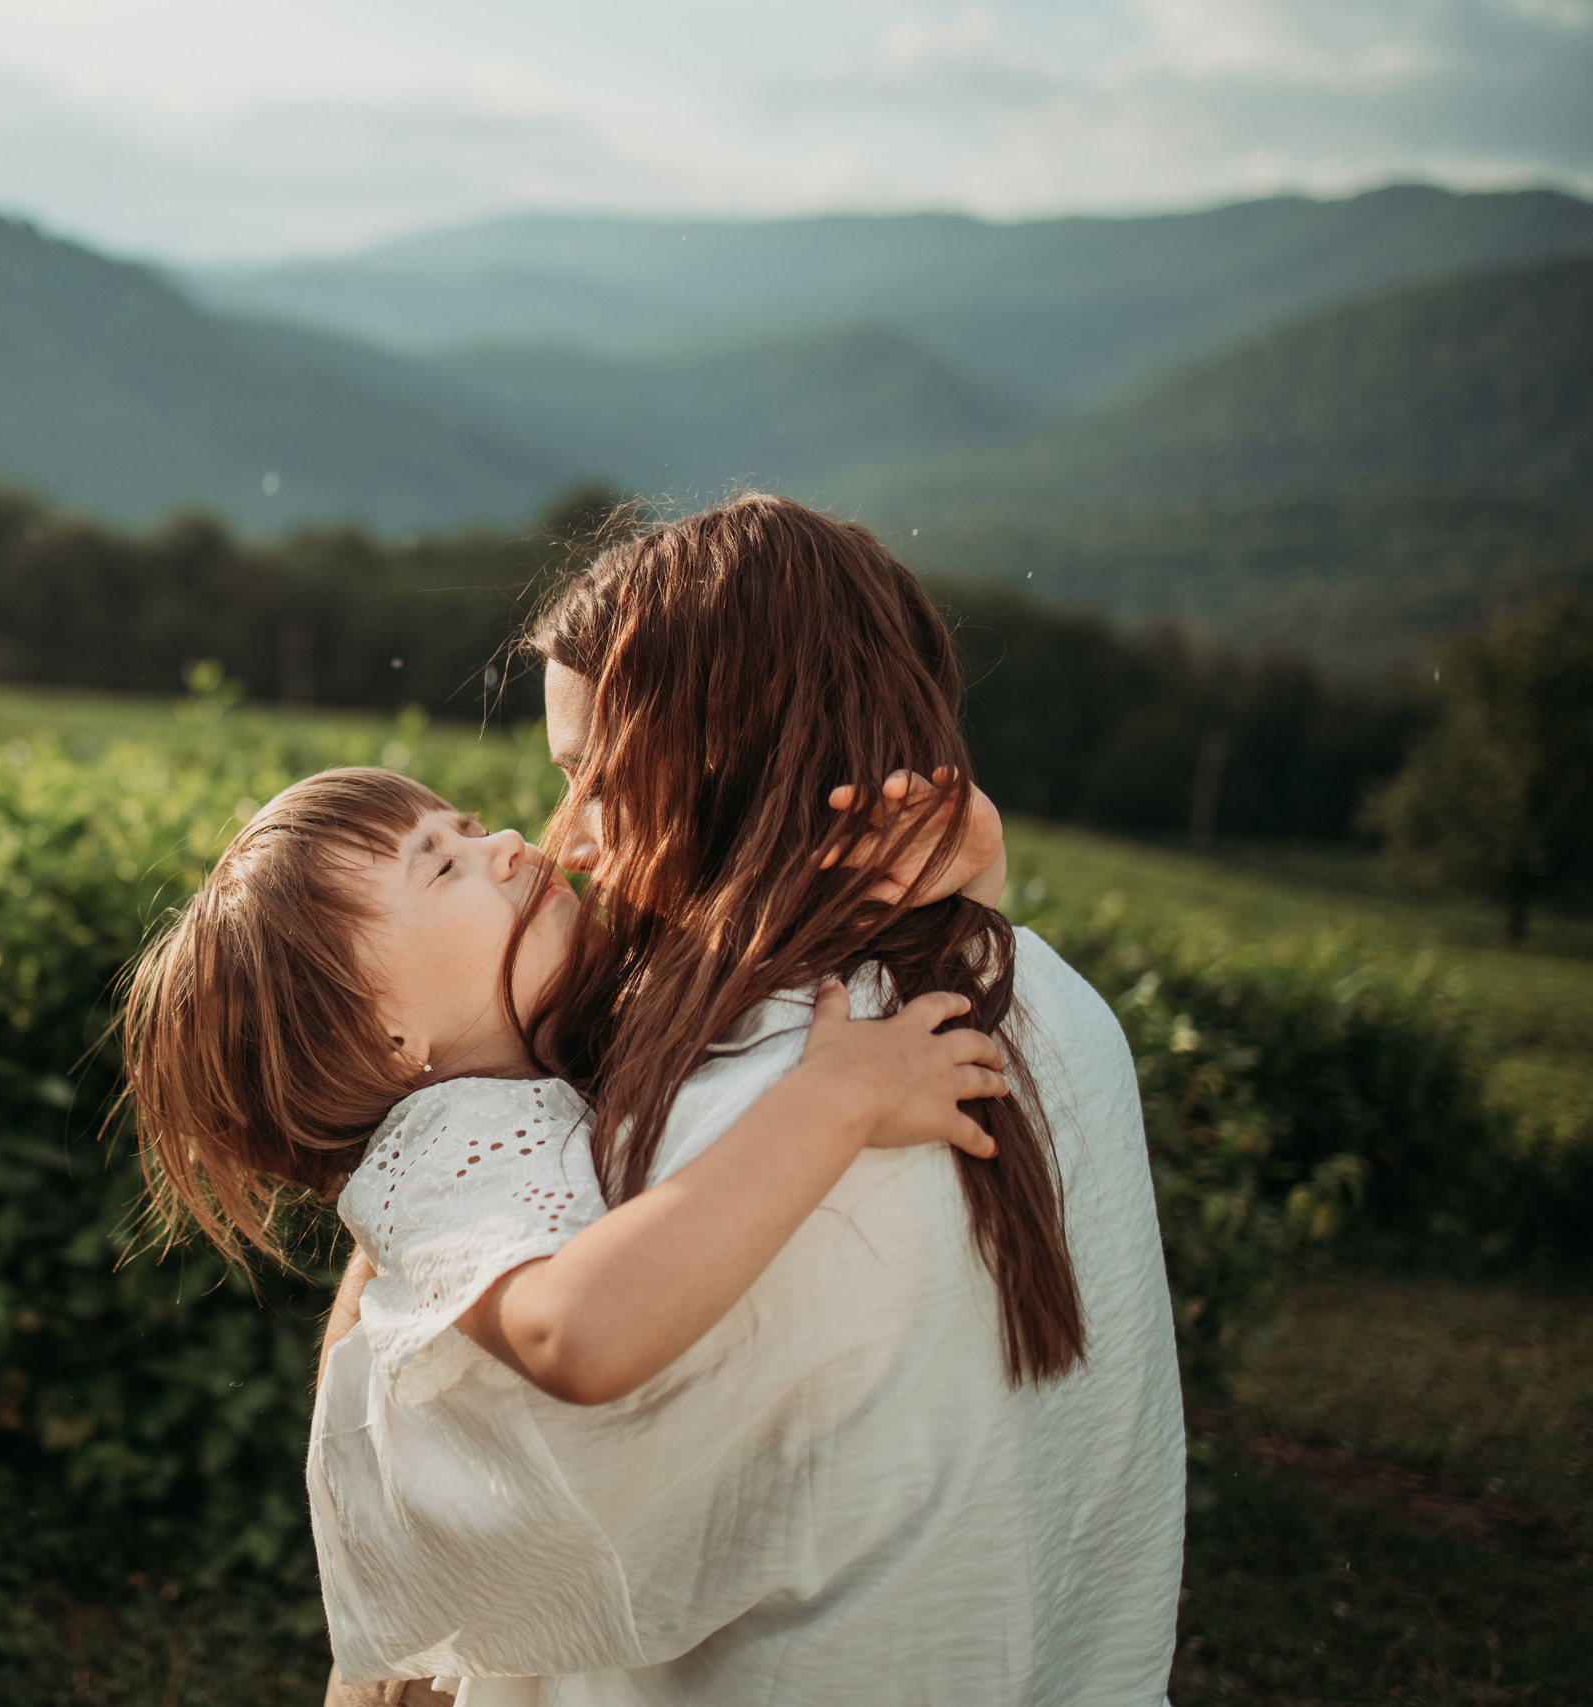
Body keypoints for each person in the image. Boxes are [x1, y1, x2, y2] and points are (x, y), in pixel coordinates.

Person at [312, 493, 1183, 1705]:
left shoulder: (740, 1128)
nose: (572, 840)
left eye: (603, 781)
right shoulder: (1062, 1006)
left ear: (737, 759)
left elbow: (472, 1533)